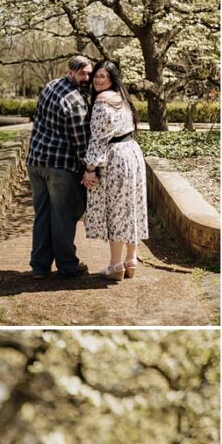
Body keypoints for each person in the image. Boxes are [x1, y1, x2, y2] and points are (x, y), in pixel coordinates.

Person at [26, 55, 94, 280]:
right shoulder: (74, 101)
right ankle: (67, 266)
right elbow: (80, 143)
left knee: (42, 215)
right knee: (63, 216)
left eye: (89, 73)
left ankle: (39, 267)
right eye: (82, 74)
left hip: (36, 162)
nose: (87, 78)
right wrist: (90, 169)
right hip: (59, 166)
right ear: (71, 72)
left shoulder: (50, 85)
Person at [80, 59, 149, 280]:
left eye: (104, 76)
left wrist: (90, 169)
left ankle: (116, 266)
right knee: (131, 206)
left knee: (116, 210)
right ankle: (132, 260)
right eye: (96, 76)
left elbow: (98, 140)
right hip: (132, 153)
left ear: (112, 78)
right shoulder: (122, 97)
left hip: (115, 158)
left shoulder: (101, 102)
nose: (99, 80)